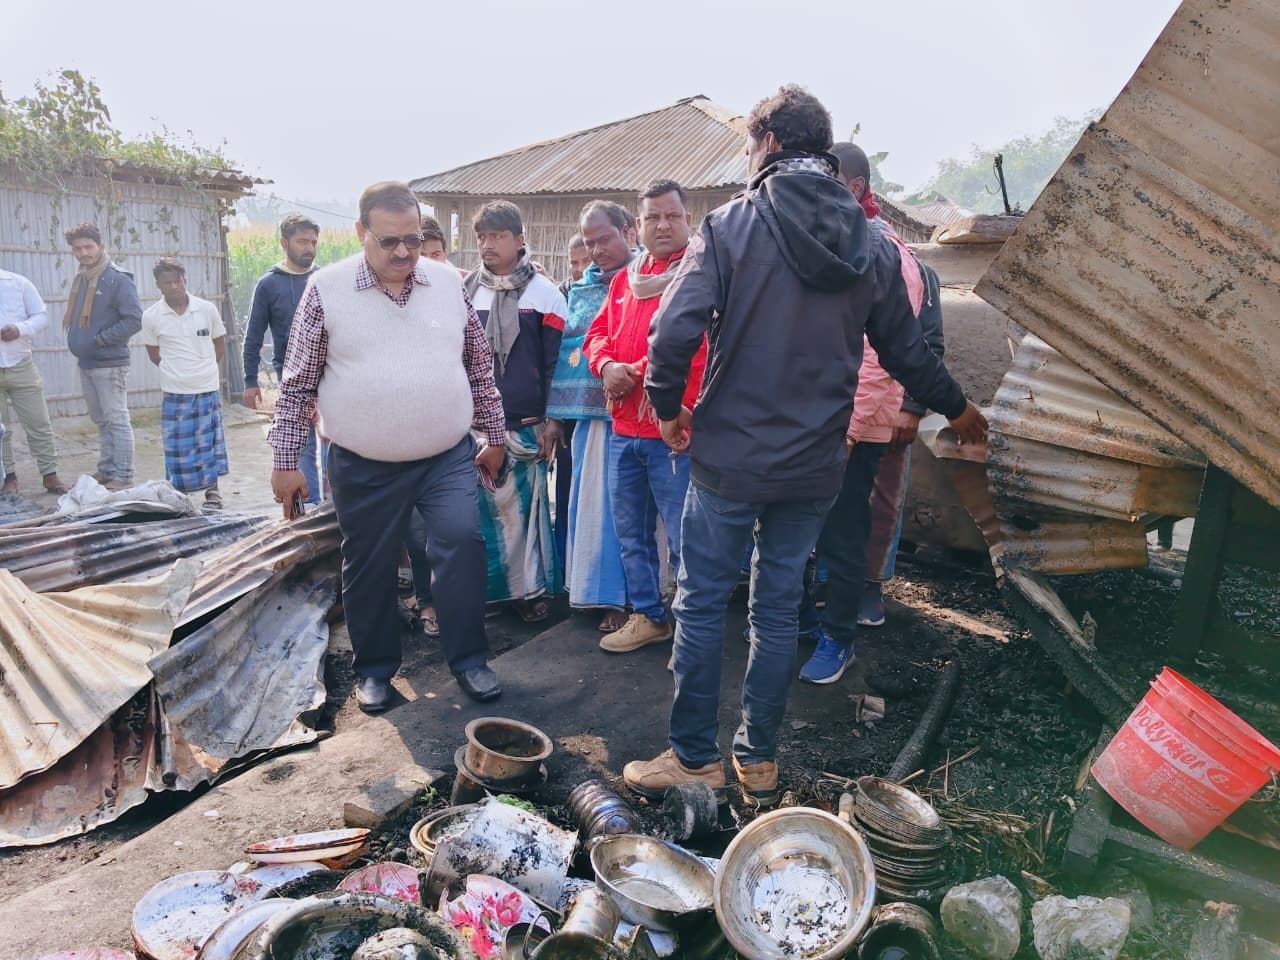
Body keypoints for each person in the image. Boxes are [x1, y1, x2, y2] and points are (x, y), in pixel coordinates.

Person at [624, 85, 988, 807]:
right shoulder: (868, 238)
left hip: (730, 461)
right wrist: (961, 407)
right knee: (777, 605)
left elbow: (672, 333)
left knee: (700, 606)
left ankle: (696, 758)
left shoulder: (732, 225)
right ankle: (757, 760)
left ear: (765, 143)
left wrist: (668, 411)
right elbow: (907, 349)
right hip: (818, 463)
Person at [269, 181, 505, 712]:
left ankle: (469, 658)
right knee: (369, 563)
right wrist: (286, 461)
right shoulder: (326, 290)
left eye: (413, 240)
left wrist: (493, 434)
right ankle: (374, 669)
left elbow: (478, 365)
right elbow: (298, 383)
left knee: (462, 542)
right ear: (360, 234)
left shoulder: (447, 283)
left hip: (445, 455)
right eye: (388, 241)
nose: (402, 252)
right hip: (363, 461)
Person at [585, 181, 707, 654]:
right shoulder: (625, 279)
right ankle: (649, 617)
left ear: (686, 220)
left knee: (683, 535)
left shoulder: (699, 278)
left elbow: (692, 349)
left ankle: (692, 625)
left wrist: (630, 373)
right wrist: (606, 366)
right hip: (623, 430)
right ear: (638, 225)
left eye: (671, 216)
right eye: (652, 217)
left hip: (671, 429)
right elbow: (598, 334)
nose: (662, 225)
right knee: (630, 531)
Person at [830, 143, 947, 632]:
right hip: (840, 407)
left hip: (886, 408)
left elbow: (927, 343)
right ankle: (833, 588)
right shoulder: (831, 251)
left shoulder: (906, 263)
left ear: (856, 188)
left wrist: (912, 408)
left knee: (879, 502)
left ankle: (870, 588)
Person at [463, 201, 566, 622]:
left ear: (520, 240)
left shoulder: (544, 293)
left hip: (527, 427)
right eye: (482, 237)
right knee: (480, 516)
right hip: (473, 428)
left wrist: (553, 420)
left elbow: (555, 366)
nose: (488, 245)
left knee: (526, 516)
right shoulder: (467, 291)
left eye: (498, 236)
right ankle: (489, 595)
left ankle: (530, 593)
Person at [546, 203, 635, 631]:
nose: (597, 250)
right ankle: (603, 595)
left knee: (636, 508)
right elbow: (571, 355)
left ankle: (639, 598)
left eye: (605, 239)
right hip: (593, 421)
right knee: (598, 506)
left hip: (640, 414)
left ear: (628, 231)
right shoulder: (579, 292)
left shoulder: (646, 280)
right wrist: (556, 417)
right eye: (590, 242)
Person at [244, 214, 323, 503]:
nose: (309, 248)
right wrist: (250, 380)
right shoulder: (268, 285)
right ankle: (310, 510)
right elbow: (253, 335)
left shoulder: (324, 280)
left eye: (313, 242)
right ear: (284, 243)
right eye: (302, 241)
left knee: (332, 443)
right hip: (290, 378)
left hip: (329, 376)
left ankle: (336, 512)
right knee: (300, 445)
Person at [140, 258, 229, 509]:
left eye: (178, 280)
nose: (174, 286)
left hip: (206, 387)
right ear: (159, 285)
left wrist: (203, 368)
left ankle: (213, 493)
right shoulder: (151, 316)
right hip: (175, 390)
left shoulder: (206, 309)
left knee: (207, 442)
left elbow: (219, 344)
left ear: (185, 279)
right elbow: (153, 353)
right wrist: (177, 372)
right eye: (168, 282)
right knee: (177, 446)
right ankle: (178, 495)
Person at [64, 222, 141, 490]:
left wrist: (98, 341)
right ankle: (108, 469)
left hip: (109, 363)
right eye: (77, 248)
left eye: (88, 246)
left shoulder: (117, 279)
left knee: (117, 419)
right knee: (102, 420)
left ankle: (124, 475)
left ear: (101, 246)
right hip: (87, 362)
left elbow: (133, 320)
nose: (83, 252)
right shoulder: (83, 278)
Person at [0, 269, 67, 495]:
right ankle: (8, 477)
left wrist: (20, 329)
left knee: (39, 421)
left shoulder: (18, 283)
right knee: (1, 428)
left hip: (21, 363)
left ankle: (50, 474)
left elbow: (41, 316)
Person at [558, 234, 590, 299]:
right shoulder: (561, 293)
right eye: (574, 263)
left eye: (586, 261)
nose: (581, 269)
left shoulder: (608, 291)